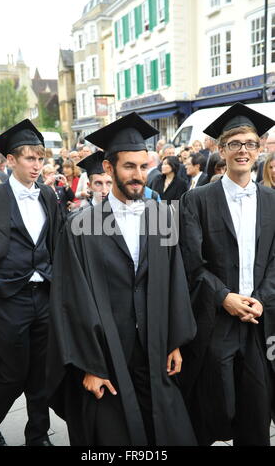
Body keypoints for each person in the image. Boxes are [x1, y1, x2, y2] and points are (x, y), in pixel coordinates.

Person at [47, 112, 197, 446]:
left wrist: (174, 339)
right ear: (109, 168)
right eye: (129, 166)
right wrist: (89, 365)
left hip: (154, 347)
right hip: (107, 355)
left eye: (144, 167)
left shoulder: (163, 218)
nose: (138, 175)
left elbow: (176, 282)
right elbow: (71, 299)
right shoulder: (79, 227)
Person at [179, 102, 275, 446]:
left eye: (250, 143)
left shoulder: (272, 200)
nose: (243, 151)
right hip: (215, 321)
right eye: (234, 144)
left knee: (257, 412)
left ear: (259, 148)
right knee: (212, 410)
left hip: (259, 323)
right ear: (221, 150)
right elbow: (192, 262)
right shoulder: (197, 201)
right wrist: (224, 297)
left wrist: (261, 300)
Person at [0, 119, 61, 446]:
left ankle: (37, 436)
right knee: (12, 373)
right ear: (10, 161)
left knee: (41, 375)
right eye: (29, 158)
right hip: (8, 299)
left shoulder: (49, 196)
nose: (37, 165)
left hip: (45, 296)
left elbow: (56, 243)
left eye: (40, 159)